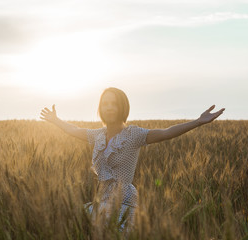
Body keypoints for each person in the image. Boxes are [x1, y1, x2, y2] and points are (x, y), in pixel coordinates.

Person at [40, 87, 225, 231]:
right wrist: (56, 120)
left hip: (124, 202)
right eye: (105, 104)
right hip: (101, 200)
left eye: (114, 103)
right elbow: (74, 130)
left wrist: (197, 122)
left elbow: (166, 132)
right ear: (100, 108)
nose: (109, 107)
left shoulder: (133, 134)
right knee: (67, 218)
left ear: (123, 107)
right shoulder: (97, 135)